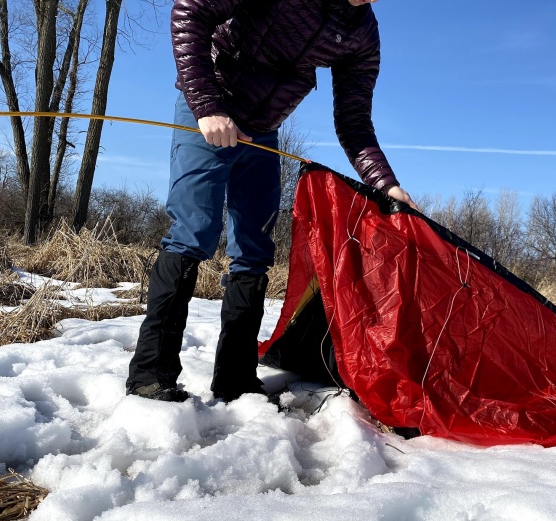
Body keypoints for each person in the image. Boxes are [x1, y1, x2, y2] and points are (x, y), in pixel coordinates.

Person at [126, 0, 416, 403]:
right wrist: (207, 106)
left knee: (255, 249)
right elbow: (189, 11)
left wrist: (386, 185)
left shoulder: (362, 33)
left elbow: (354, 120)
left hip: (264, 132)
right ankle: (150, 376)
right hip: (211, 110)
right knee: (194, 232)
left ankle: (236, 379)